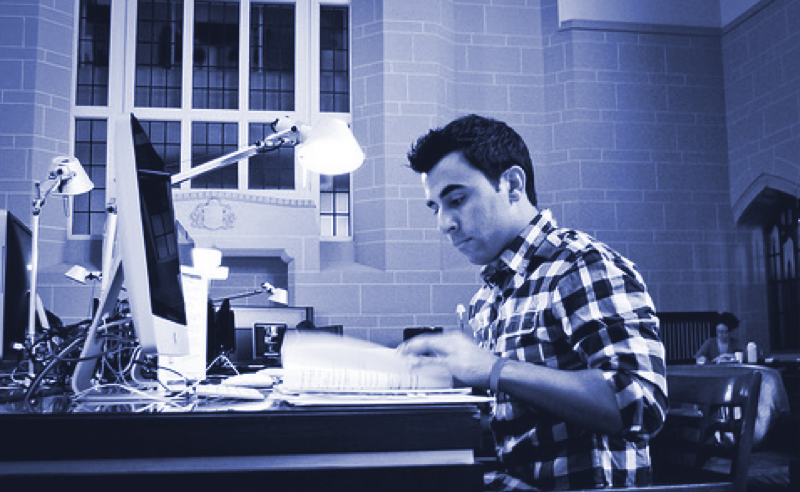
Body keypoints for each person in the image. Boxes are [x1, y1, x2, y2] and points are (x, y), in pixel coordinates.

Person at [399, 115, 668, 491]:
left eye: (456, 200)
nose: (444, 223)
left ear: (511, 184)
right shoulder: (488, 296)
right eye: (435, 208)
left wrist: (493, 368)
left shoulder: (579, 266)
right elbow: (517, 422)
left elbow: (640, 404)